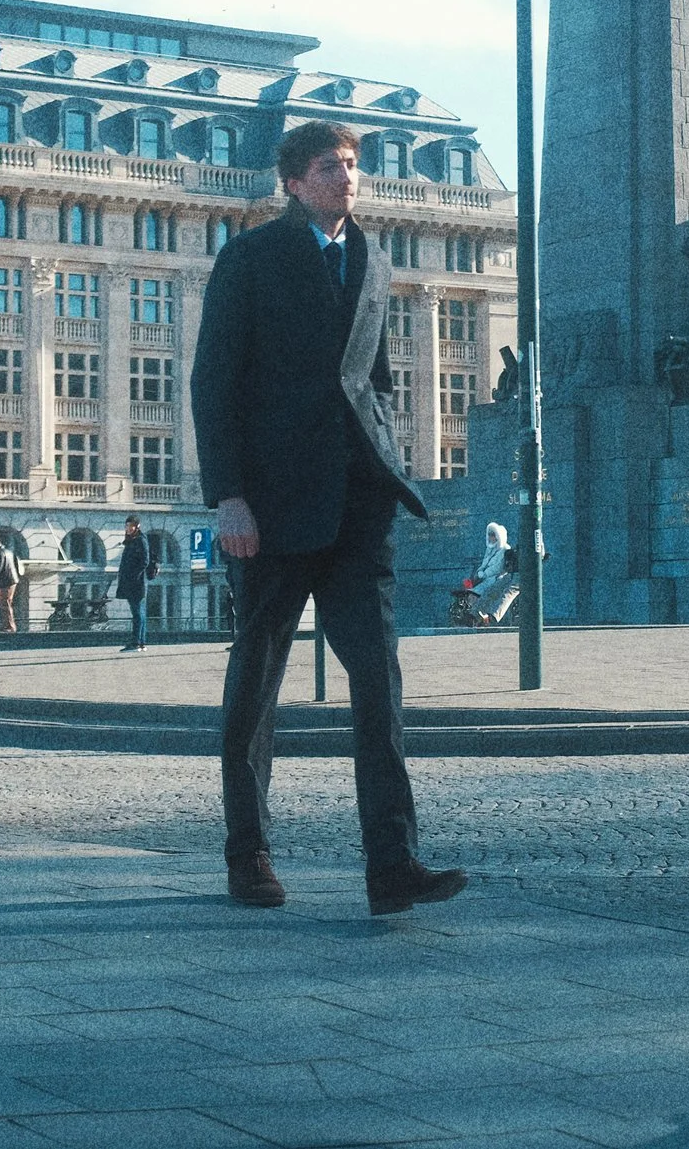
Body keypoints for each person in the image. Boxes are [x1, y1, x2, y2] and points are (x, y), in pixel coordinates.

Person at [193, 119, 465, 917]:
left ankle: (393, 864)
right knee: (258, 684)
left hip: (356, 507)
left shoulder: (373, 256)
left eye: (351, 164)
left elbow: (372, 378)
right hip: (270, 511)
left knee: (379, 686)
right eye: (328, 166)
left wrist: (387, 462)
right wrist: (229, 497)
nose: (346, 177)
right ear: (292, 181)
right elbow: (214, 382)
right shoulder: (249, 258)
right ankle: (249, 854)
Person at [115, 517, 157, 652]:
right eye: (126, 525)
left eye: (130, 526)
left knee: (137, 612)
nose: (127, 528)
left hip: (136, 582)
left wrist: (134, 576)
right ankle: (141, 642)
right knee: (139, 612)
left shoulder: (140, 540)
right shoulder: (132, 541)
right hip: (133, 581)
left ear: (137, 526)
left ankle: (136, 642)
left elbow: (145, 561)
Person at [468, 522, 518, 625]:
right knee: (467, 585)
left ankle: (487, 617)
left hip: (495, 577)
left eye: (493, 535)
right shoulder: (490, 549)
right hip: (484, 578)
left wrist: (483, 574)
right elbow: (484, 564)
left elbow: (497, 568)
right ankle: (474, 614)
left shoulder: (505, 550)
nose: (490, 537)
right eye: (489, 535)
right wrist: (479, 573)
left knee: (503, 593)